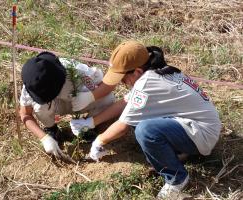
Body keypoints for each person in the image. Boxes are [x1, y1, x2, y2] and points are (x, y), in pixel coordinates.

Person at [70, 41, 221, 198]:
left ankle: (177, 179)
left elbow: (123, 126)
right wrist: (91, 122)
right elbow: (125, 103)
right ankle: (179, 153)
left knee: (145, 130)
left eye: (122, 78)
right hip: (196, 125)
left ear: (136, 71)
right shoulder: (155, 72)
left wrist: (99, 141)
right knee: (142, 120)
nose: (122, 83)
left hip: (202, 134)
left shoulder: (146, 83)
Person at [19, 51, 114, 158]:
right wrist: (44, 138)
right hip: (56, 107)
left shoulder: (76, 71)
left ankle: (86, 127)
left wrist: (90, 97)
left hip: (80, 102)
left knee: (107, 99)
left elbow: (108, 86)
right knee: (39, 106)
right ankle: (52, 130)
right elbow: (25, 114)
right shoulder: (33, 84)